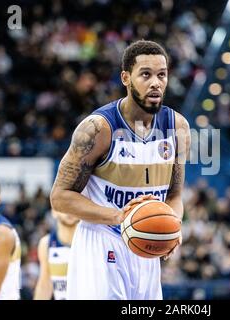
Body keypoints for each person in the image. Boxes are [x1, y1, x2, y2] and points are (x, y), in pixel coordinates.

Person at [50, 40, 190, 300]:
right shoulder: (97, 129)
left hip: (145, 247)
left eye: (162, 75)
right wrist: (119, 217)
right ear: (126, 78)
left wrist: (172, 226)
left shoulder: (178, 127)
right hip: (102, 242)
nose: (156, 83)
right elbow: (59, 197)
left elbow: (174, 196)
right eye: (145, 74)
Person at [34, 210, 79, 300]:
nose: (69, 210)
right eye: (64, 204)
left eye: (72, 204)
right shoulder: (46, 244)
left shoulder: (92, 242)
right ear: (54, 212)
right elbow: (45, 286)